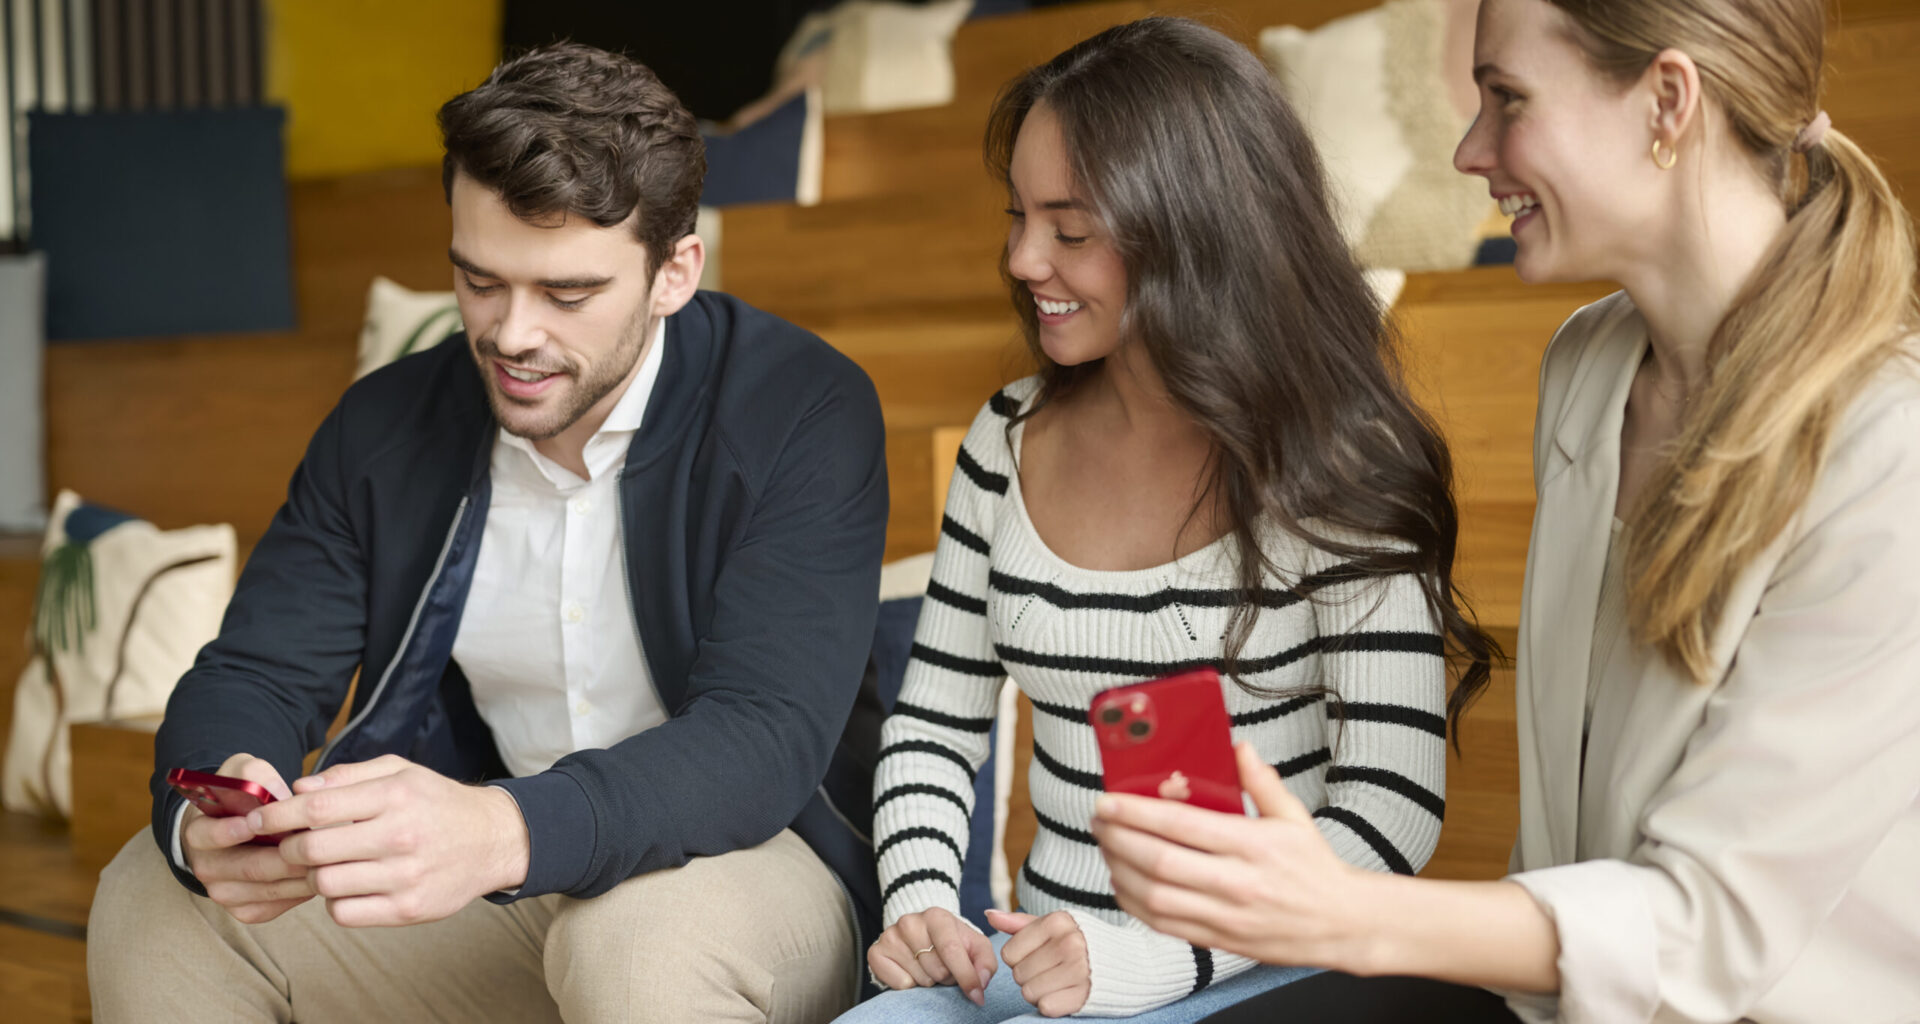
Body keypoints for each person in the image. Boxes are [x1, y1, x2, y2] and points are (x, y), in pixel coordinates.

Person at [1095, 0, 1920, 1021]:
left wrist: (1342, 912)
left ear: (1668, 101)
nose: (1469, 148)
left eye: (1508, 100)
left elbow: (1711, 929)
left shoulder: (1889, 448)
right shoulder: (1588, 365)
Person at [86, 43, 891, 1024]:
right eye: (480, 281)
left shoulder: (801, 407)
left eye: (566, 294)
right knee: (151, 894)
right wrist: (226, 798)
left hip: (747, 865)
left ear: (676, 271)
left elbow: (761, 739)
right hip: (497, 869)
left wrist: (505, 823)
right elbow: (255, 672)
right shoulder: (384, 425)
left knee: (632, 948)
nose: (511, 335)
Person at [838, 17, 1497, 1024]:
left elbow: (1386, 816)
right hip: (1053, 968)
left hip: (1278, 967)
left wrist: (1153, 959)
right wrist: (926, 901)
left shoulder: (1336, 464)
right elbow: (933, 726)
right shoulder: (1007, 437)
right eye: (1019, 217)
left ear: (1194, 226)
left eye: (1070, 228)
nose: (1021, 259)